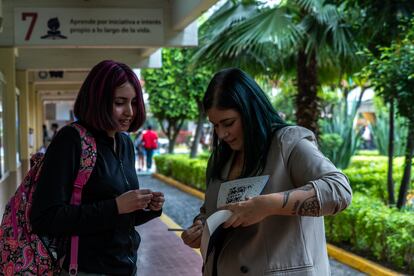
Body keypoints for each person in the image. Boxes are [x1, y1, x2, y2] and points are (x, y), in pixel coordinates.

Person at [181, 68, 352, 275]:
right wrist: (200, 226)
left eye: (228, 123)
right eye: (215, 126)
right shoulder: (220, 158)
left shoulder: (287, 143)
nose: (222, 134)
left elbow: (339, 190)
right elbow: (211, 210)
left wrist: (267, 205)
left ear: (250, 111)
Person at [30, 60, 165, 276]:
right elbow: (45, 218)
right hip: (86, 269)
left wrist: (147, 207)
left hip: (126, 267)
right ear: (98, 100)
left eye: (134, 103)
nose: (129, 111)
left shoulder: (124, 143)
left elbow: (118, 217)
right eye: (120, 102)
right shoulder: (72, 140)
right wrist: (115, 206)